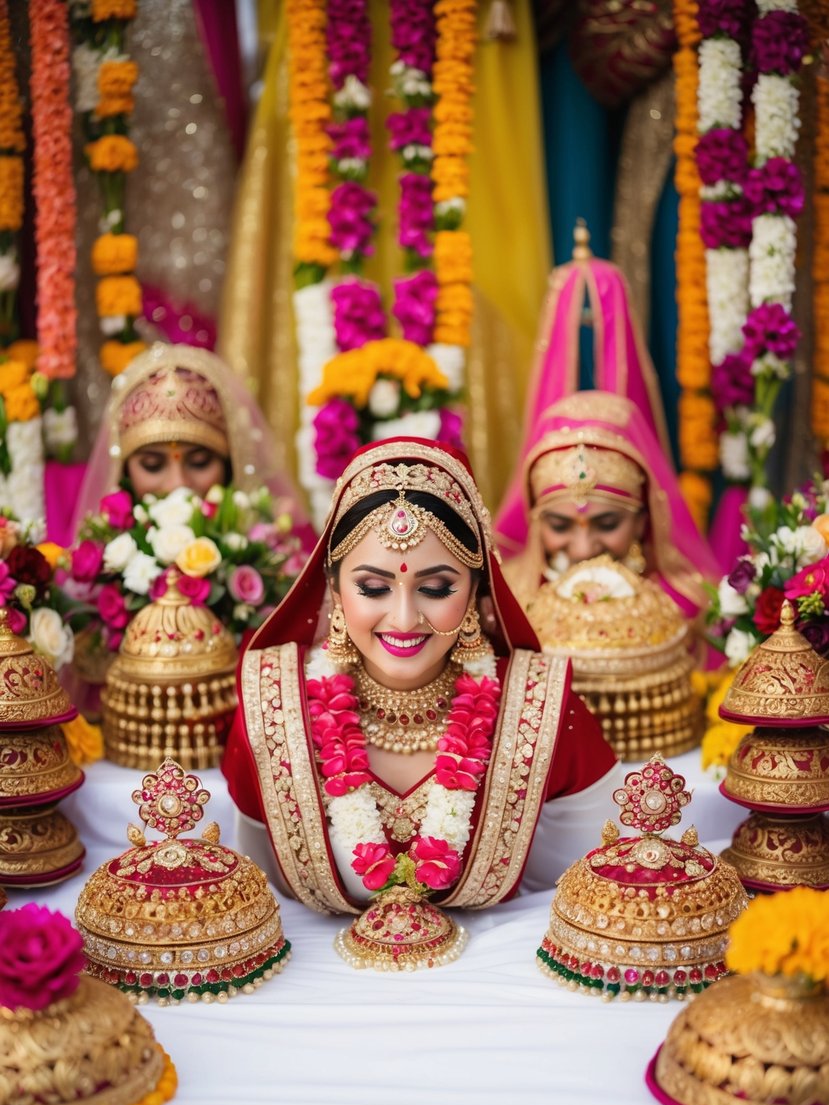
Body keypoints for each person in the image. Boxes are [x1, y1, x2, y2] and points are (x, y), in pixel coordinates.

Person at [223, 437, 620, 914]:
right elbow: (257, 893)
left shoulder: (542, 709)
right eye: (373, 587)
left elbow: (586, 893)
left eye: (435, 588)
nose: (405, 619)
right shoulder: (273, 707)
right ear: (333, 588)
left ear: (476, 591)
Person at [495, 390, 718, 621]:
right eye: (560, 526)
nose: (583, 549)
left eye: (607, 524)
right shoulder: (505, 605)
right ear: (537, 522)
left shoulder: (683, 611)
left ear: (641, 522)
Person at [71, 342, 314, 544]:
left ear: (230, 463)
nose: (178, 485)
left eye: (200, 462)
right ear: (123, 470)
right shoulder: (102, 573)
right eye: (153, 464)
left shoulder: (274, 556)